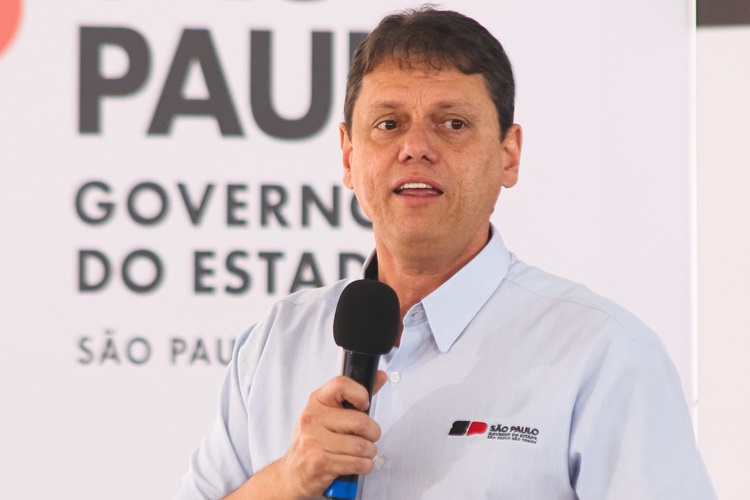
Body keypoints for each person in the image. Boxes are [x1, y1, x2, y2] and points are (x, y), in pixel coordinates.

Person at [176, 6, 715, 499]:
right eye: (388, 124)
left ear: (509, 154)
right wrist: (288, 479)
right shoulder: (278, 342)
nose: (415, 147)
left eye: (452, 123)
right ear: (348, 157)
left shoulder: (604, 355)